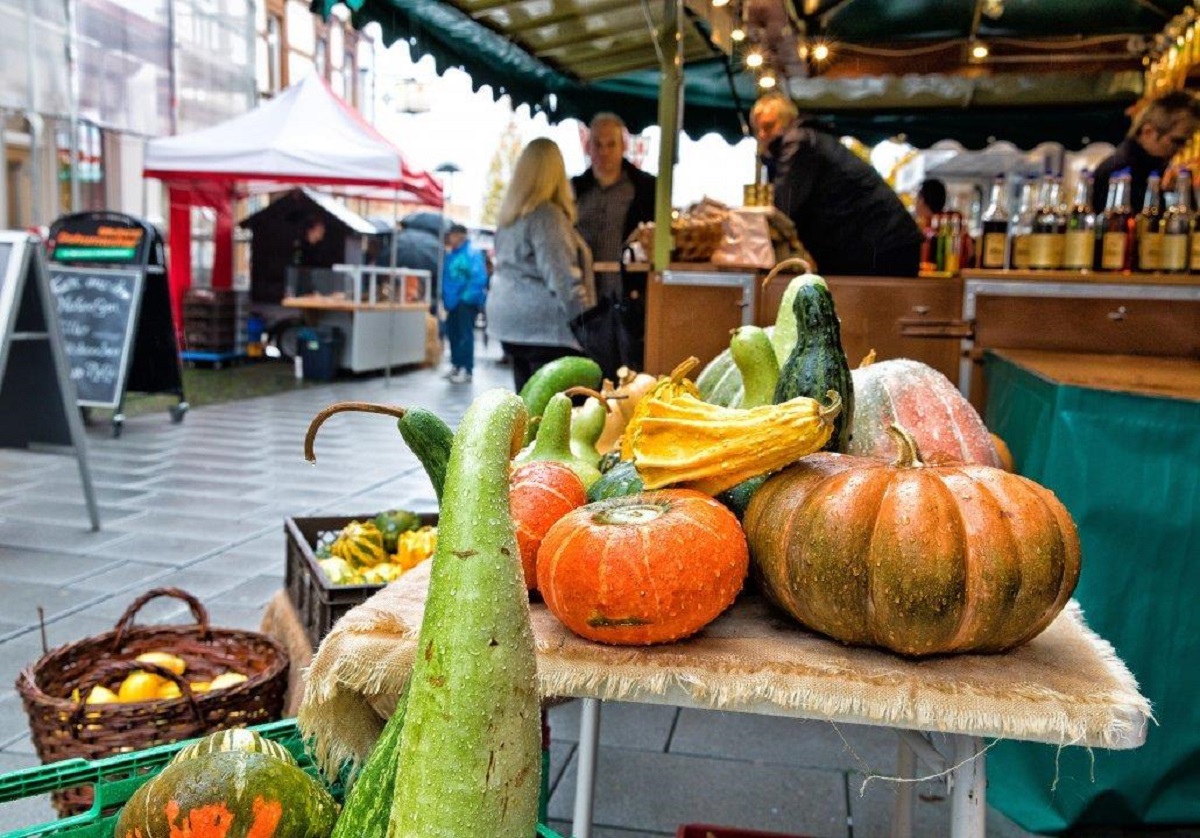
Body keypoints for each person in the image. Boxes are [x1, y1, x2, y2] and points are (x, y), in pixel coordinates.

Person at [751, 92, 923, 277]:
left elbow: (783, 209)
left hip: (878, 246)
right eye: (757, 129)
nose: (761, 135)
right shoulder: (813, 138)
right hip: (884, 243)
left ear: (788, 121)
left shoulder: (797, 141)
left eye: (768, 127)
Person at [487, 138, 595, 392]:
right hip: (545, 328)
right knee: (553, 412)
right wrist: (587, 324)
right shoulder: (547, 216)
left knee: (526, 405)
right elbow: (562, 278)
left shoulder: (510, 217)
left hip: (509, 322)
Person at [571, 113, 656, 299]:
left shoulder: (646, 189)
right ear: (587, 147)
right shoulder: (573, 189)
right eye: (597, 144)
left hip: (630, 296)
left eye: (611, 144)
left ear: (624, 146)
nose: (604, 152)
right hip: (584, 298)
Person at [1092, 91, 1200, 215]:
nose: (1181, 149)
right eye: (1177, 141)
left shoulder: (1153, 169)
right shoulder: (1120, 172)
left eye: (1187, 142)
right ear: (1148, 132)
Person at [441, 223, 489, 384]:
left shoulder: (472, 253)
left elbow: (479, 278)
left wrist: (466, 298)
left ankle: (467, 369)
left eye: (452, 235)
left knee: (465, 335)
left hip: (464, 302)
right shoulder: (451, 254)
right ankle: (456, 365)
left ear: (460, 236)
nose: (449, 238)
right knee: (453, 334)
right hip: (452, 302)